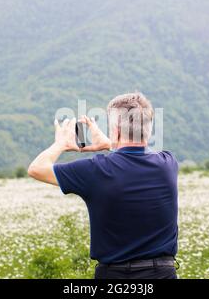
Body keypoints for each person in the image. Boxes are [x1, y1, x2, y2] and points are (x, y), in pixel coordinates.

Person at [28, 92, 178, 279]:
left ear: (115, 130)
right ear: (149, 128)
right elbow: (138, 153)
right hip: (163, 273)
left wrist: (61, 144)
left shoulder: (95, 170)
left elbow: (36, 169)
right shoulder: (168, 164)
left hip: (115, 276)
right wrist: (110, 143)